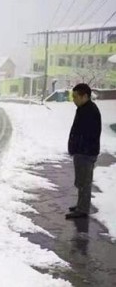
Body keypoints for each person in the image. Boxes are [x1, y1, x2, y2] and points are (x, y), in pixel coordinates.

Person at [66, 83, 101, 219]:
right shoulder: (83, 108)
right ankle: (81, 205)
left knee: (85, 182)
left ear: (84, 96)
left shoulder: (90, 111)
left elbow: (89, 135)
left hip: (86, 153)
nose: (73, 99)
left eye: (75, 97)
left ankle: (82, 209)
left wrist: (80, 149)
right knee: (81, 181)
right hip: (82, 152)